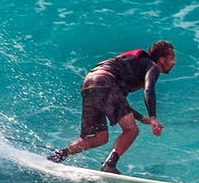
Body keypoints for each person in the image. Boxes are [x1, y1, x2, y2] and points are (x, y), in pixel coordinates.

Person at [46, 40, 176, 173]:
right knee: (131, 130)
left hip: (90, 82)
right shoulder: (152, 66)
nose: (174, 62)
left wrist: (142, 119)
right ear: (162, 59)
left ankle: (59, 155)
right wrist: (153, 117)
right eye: (172, 58)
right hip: (105, 81)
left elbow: (118, 101)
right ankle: (110, 165)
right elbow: (148, 89)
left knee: (99, 137)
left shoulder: (133, 67)